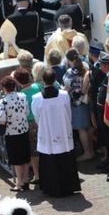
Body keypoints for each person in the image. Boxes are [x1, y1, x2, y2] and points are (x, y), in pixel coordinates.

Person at [31, 68, 81, 197]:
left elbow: (36, 117)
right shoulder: (64, 95)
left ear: (43, 81)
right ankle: (69, 186)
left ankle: (51, 189)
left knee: (50, 162)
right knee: (65, 160)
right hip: (63, 132)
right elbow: (68, 113)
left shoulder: (36, 98)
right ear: (55, 80)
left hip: (47, 134)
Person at [0, 74, 31, 191]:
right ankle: (26, 179)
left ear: (5, 88)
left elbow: (2, 120)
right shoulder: (22, 96)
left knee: (16, 159)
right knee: (26, 157)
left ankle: (19, 182)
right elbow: (27, 112)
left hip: (12, 133)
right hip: (23, 129)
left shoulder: (4, 101)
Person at [62, 48, 94, 161]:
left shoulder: (71, 72)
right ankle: (91, 150)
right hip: (86, 101)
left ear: (68, 59)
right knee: (88, 127)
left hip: (76, 103)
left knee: (81, 129)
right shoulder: (84, 67)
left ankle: (87, 152)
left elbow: (67, 88)